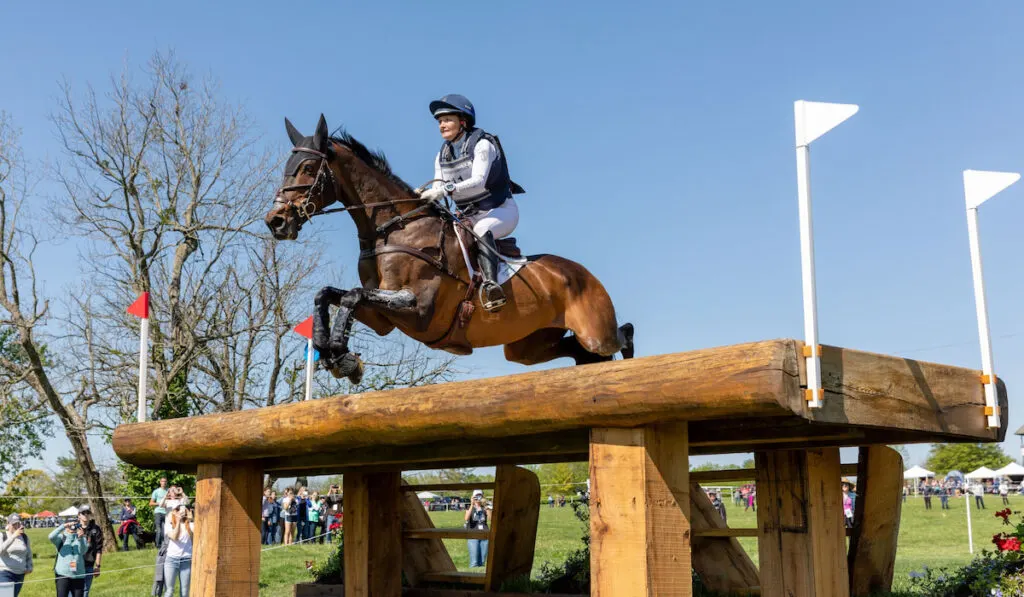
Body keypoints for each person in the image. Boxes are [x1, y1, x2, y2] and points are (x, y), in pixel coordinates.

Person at [420, 94, 521, 313]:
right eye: (439, 121)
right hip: (468, 215)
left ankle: (491, 285)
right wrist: (423, 193)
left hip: (499, 211)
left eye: (447, 119)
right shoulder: (442, 155)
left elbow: (478, 182)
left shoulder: (482, 144)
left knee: (483, 229)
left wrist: (445, 189)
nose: (441, 125)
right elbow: (438, 184)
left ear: (463, 121)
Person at [50, 517, 88, 597]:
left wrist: (80, 538)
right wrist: (63, 526)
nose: (72, 527)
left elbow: (83, 551)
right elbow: (51, 536)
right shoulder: (61, 537)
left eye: (74, 524)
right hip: (63, 575)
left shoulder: (81, 538)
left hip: (78, 575)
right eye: (70, 524)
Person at [164, 504, 193, 597]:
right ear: (173, 512)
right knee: (169, 591)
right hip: (171, 560)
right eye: (177, 510)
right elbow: (174, 537)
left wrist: (191, 519)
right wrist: (178, 522)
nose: (180, 512)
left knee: (184, 592)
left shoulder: (191, 524)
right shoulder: (169, 524)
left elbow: (195, 537)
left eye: (182, 510)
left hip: (186, 560)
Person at [0, 514, 33, 596]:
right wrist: (13, 536)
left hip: (20, 574)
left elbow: (28, 554)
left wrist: (29, 567)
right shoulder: (2, 535)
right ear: (8, 523)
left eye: (18, 523)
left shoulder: (24, 537)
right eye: (14, 524)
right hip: (5, 573)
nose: (16, 526)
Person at [78, 505, 104, 597]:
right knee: (72, 591)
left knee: (85, 591)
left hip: (88, 564)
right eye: (83, 513)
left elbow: (99, 549)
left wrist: (97, 566)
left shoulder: (96, 529)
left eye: (88, 513)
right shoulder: (74, 528)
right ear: (79, 515)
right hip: (74, 565)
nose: (86, 515)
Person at [464, 489, 490, 568]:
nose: (478, 498)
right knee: (474, 561)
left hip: (485, 534)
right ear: (472, 497)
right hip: (473, 534)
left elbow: (490, 518)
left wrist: (486, 506)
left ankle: (481, 573)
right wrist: (472, 504)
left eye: (480, 496)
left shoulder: (485, 507)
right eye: (476, 496)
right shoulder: (469, 507)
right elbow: (466, 518)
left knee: (482, 560)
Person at [150, 477, 169, 549]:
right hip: (158, 512)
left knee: (166, 530)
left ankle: (165, 545)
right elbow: (151, 503)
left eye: (165, 481)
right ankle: (158, 546)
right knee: (159, 530)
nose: (164, 483)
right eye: (162, 481)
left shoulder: (169, 491)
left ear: (166, 482)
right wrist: (160, 503)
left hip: (167, 513)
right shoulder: (156, 491)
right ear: (160, 482)